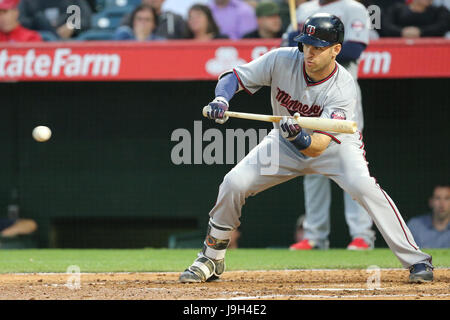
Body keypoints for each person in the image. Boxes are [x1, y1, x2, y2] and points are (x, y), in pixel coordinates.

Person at [178, 13, 434, 284]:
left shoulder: (344, 87)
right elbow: (234, 77)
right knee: (234, 183)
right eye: (306, 45)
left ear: (336, 50)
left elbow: (317, 147)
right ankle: (211, 257)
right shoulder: (282, 58)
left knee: (365, 188)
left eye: (318, 48)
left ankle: (416, 259)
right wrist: (222, 98)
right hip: (285, 142)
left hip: (334, 147)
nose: (309, 53)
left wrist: (300, 137)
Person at [283, 0, 375, 251]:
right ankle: (314, 236)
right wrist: (292, 40)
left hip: (341, 92)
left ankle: (361, 235)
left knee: (350, 164)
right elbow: (285, 52)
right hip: (307, 95)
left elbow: (352, 51)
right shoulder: (304, 9)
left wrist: (299, 41)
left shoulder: (352, 7)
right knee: (311, 165)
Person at [18, 0, 92, 39]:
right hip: (37, 46)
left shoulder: (72, 1)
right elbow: (20, 21)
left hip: (68, 44)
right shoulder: (29, 2)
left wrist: (71, 26)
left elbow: (86, 19)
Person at [380, 0, 449, 38]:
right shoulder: (396, 10)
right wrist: (401, 32)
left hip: (433, 51)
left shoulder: (439, 11)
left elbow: (442, 26)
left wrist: (421, 32)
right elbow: (386, 26)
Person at [122, 0, 187, 39]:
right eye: (140, 19)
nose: (152, 0)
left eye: (147, 19)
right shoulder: (129, 19)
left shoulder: (176, 20)